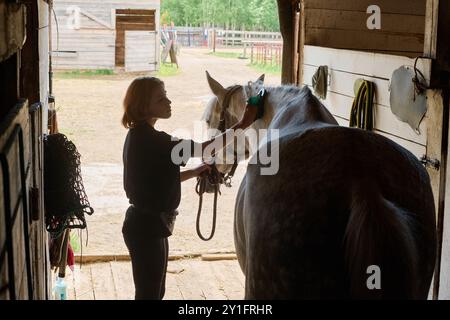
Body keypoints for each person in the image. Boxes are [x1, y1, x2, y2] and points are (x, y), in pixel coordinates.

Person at [121, 77, 259, 300]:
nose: (169, 101)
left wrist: (195, 172)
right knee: (149, 294)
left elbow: (158, 179)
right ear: (144, 106)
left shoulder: (140, 137)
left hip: (148, 224)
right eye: (161, 98)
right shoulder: (157, 142)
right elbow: (207, 147)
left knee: (154, 292)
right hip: (147, 227)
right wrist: (242, 124)